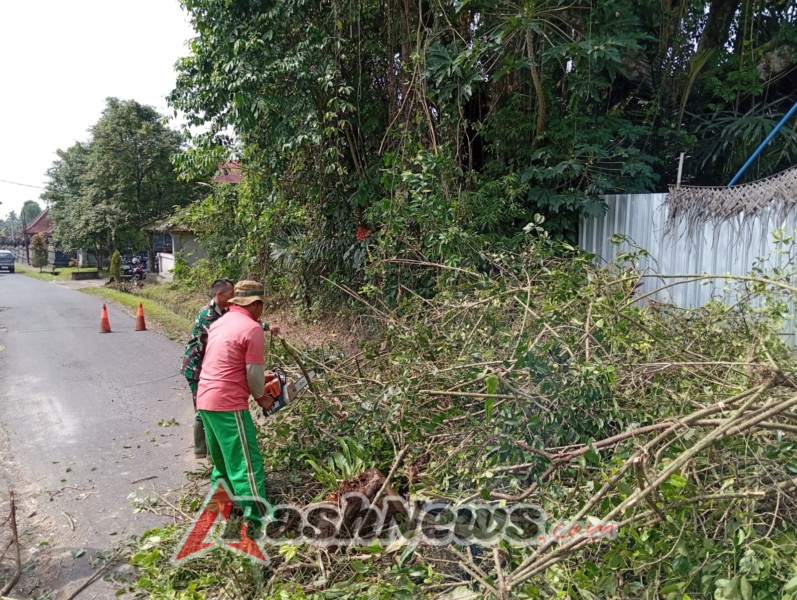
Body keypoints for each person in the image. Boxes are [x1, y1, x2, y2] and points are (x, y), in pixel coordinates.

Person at [196, 280, 280, 537]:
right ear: (255, 304)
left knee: (223, 461)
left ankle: (220, 510)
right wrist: (262, 398)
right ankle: (261, 520)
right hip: (228, 404)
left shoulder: (219, 323)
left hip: (205, 399)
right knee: (246, 464)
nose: (262, 311)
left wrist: (259, 377)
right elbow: (252, 375)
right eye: (261, 306)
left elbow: (230, 363)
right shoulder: (252, 328)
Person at [181, 278, 235, 459]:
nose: (233, 298)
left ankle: (206, 450)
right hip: (196, 368)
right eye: (231, 294)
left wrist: (264, 326)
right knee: (203, 407)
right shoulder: (208, 314)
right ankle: (203, 449)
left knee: (207, 406)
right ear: (219, 294)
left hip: (208, 368)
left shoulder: (224, 311)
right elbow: (225, 333)